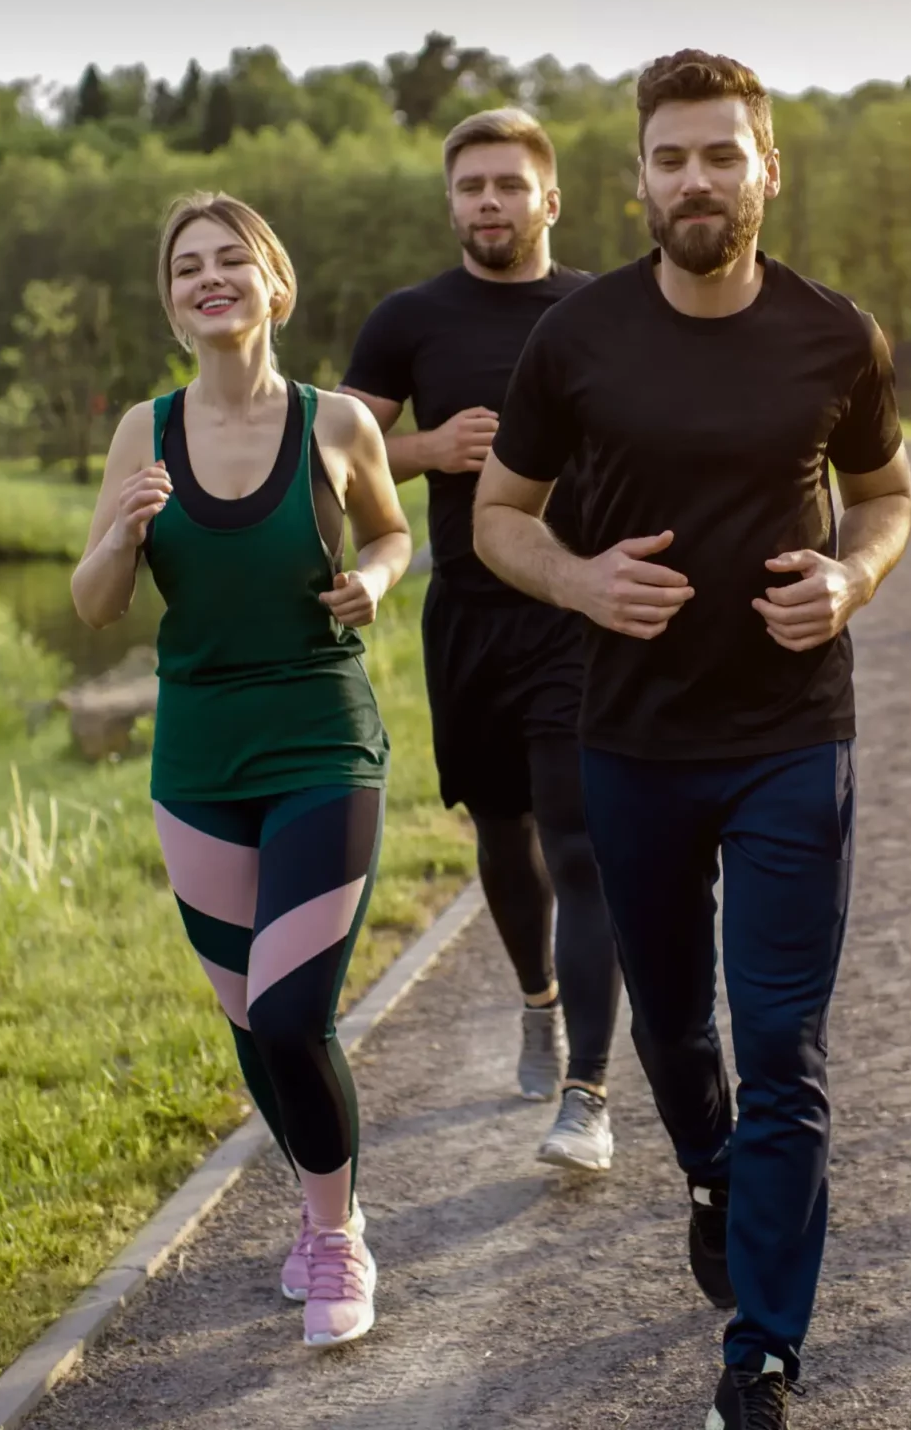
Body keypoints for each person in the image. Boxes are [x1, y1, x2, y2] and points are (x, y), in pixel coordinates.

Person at [473, 51, 911, 1430]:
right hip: (637, 739)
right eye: (672, 159)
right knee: (674, 1028)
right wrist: (580, 580)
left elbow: (889, 494)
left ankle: (763, 1351)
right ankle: (713, 1173)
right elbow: (501, 515)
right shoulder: (580, 339)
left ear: (767, 169)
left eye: (723, 155)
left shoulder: (837, 336)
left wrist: (852, 580)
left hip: (793, 734)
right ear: (640, 181)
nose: (697, 180)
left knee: (783, 1040)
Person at [72, 192, 413, 1348]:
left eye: (231, 260)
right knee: (248, 1019)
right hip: (200, 759)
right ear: (172, 304)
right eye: (186, 268)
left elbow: (392, 530)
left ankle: (335, 1238)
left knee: (287, 1010)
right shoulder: (143, 430)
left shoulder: (336, 424)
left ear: (274, 283)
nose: (209, 278)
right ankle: (335, 1200)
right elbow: (94, 604)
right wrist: (121, 530)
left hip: (323, 739)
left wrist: (378, 578)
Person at [340, 108, 625, 1172]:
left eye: (509, 183)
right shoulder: (409, 318)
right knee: (501, 835)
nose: (490, 202)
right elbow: (342, 458)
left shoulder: (602, 308)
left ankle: (589, 1093)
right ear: (451, 202)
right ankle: (537, 1000)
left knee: (579, 838)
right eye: (471, 187)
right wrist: (429, 444)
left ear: (550, 198)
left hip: (573, 608)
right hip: (465, 616)